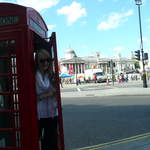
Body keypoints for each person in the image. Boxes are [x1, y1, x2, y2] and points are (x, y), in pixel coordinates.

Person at [35, 49, 58, 150]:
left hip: (52, 113)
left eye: (47, 60)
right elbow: (33, 98)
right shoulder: (34, 76)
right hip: (39, 114)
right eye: (42, 60)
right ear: (37, 62)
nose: (45, 63)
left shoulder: (50, 75)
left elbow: (56, 92)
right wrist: (48, 94)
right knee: (42, 142)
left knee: (52, 142)